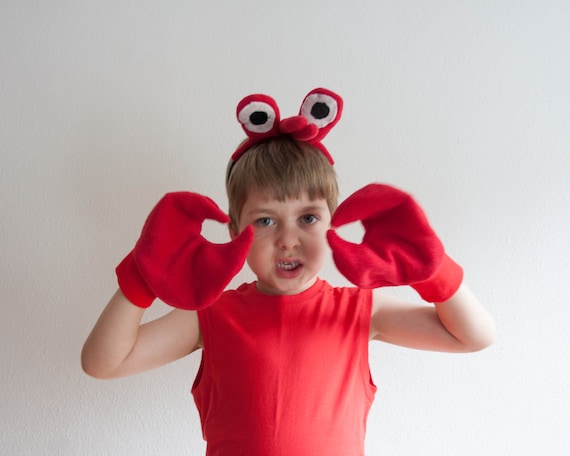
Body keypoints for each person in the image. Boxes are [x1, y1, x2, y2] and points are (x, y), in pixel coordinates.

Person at [81, 89, 496, 456]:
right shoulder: (210, 314)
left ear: (332, 223)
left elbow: (474, 336)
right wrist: (142, 276)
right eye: (265, 221)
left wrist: (433, 270)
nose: (288, 239)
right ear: (233, 231)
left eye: (308, 219)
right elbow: (103, 363)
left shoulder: (361, 311)